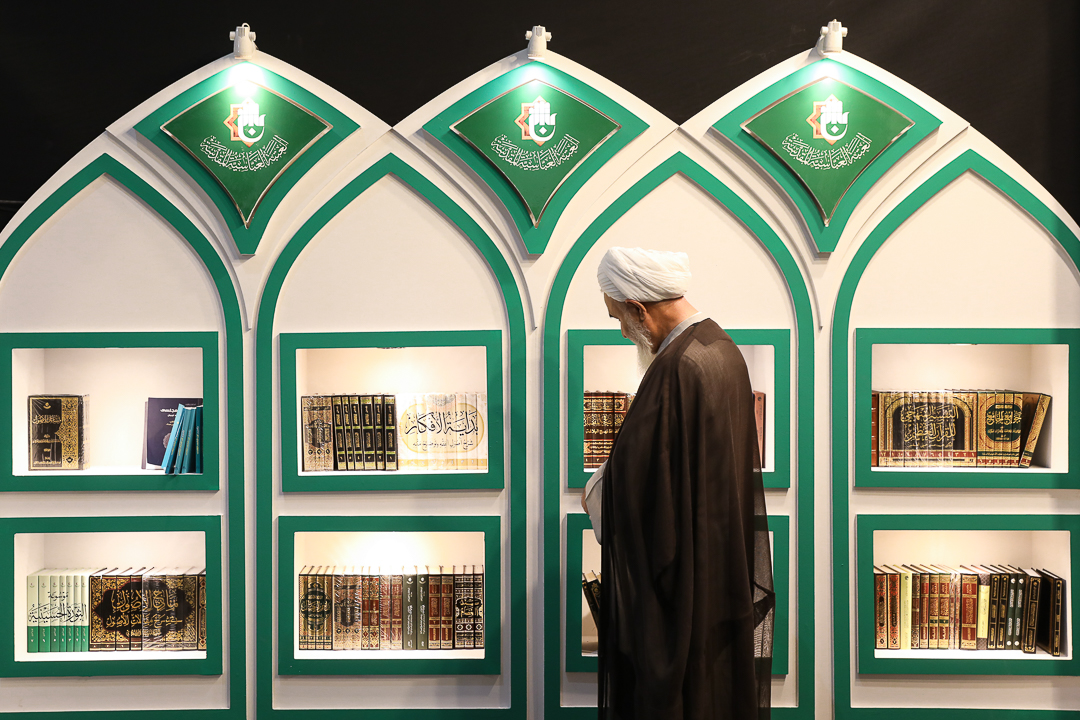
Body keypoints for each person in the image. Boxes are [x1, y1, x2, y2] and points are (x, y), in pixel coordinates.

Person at [581, 246, 774, 720]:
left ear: (639, 309)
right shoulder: (721, 349)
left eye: (618, 318)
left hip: (681, 597)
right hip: (715, 579)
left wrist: (600, 487)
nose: (622, 331)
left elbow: (644, 489)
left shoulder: (677, 367)